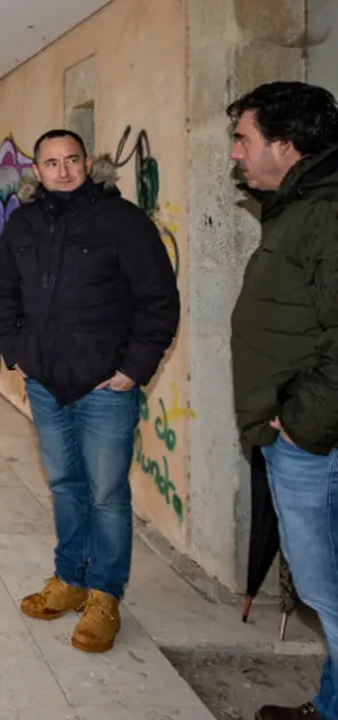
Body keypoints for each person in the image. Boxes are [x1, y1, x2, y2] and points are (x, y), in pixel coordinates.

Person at [0, 128, 180, 653]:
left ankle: (104, 596)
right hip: (46, 384)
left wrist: (134, 369)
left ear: (88, 163)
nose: (64, 171)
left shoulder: (123, 221)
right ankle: (70, 578)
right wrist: (18, 351)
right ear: (37, 171)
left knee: (107, 493)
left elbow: (159, 301)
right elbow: (2, 289)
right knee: (65, 485)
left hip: (105, 387)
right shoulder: (23, 223)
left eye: (72, 160)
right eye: (52, 163)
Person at [227, 81, 338, 720]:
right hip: (300, 433)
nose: (235, 153)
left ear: (286, 144)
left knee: (327, 589)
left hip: (314, 440)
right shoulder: (301, 207)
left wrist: (301, 423)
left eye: (243, 139)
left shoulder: (326, 212)